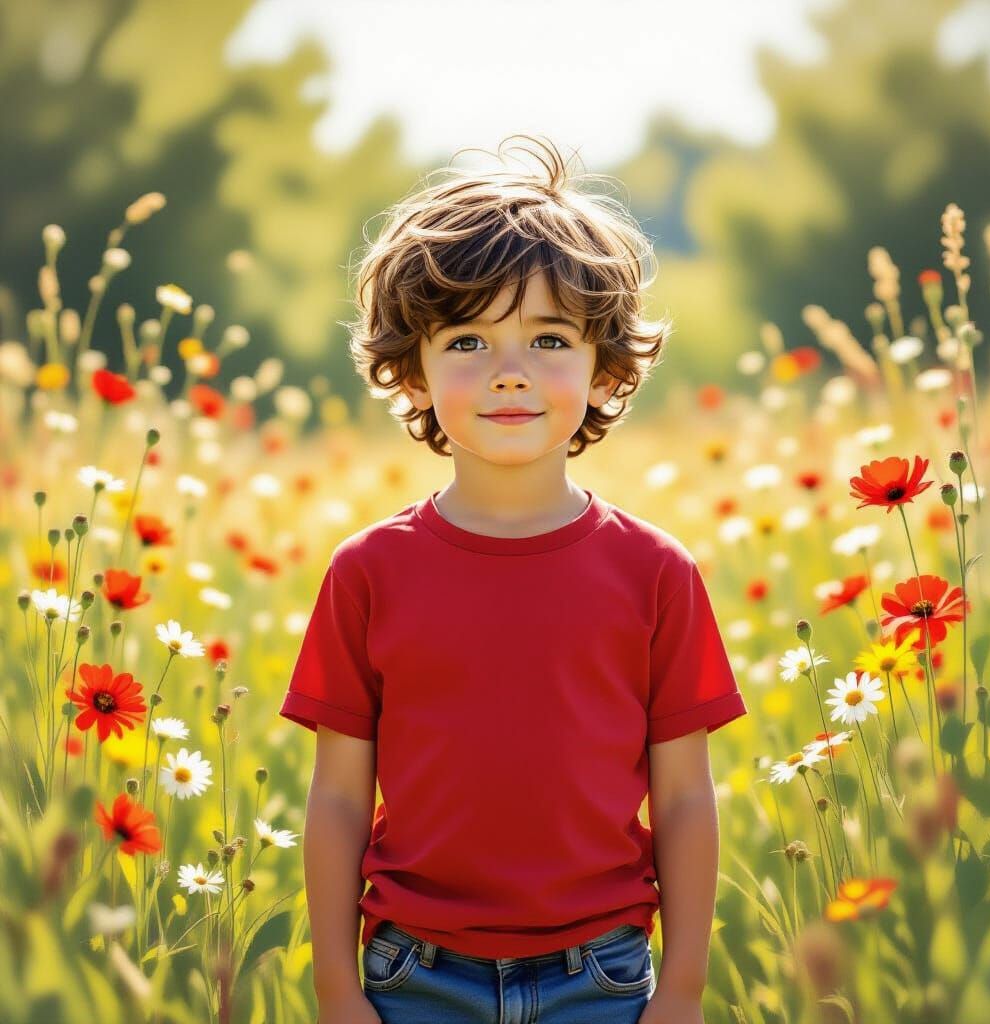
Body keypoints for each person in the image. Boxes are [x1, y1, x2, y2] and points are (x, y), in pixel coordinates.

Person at [279, 134, 749, 1024]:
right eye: (466, 339)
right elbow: (340, 796)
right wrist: (335, 987)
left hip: (601, 979)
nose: (509, 371)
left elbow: (685, 796)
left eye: (548, 337)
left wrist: (681, 984)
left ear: (605, 367)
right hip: (411, 977)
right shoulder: (367, 573)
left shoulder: (655, 573)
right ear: (410, 372)